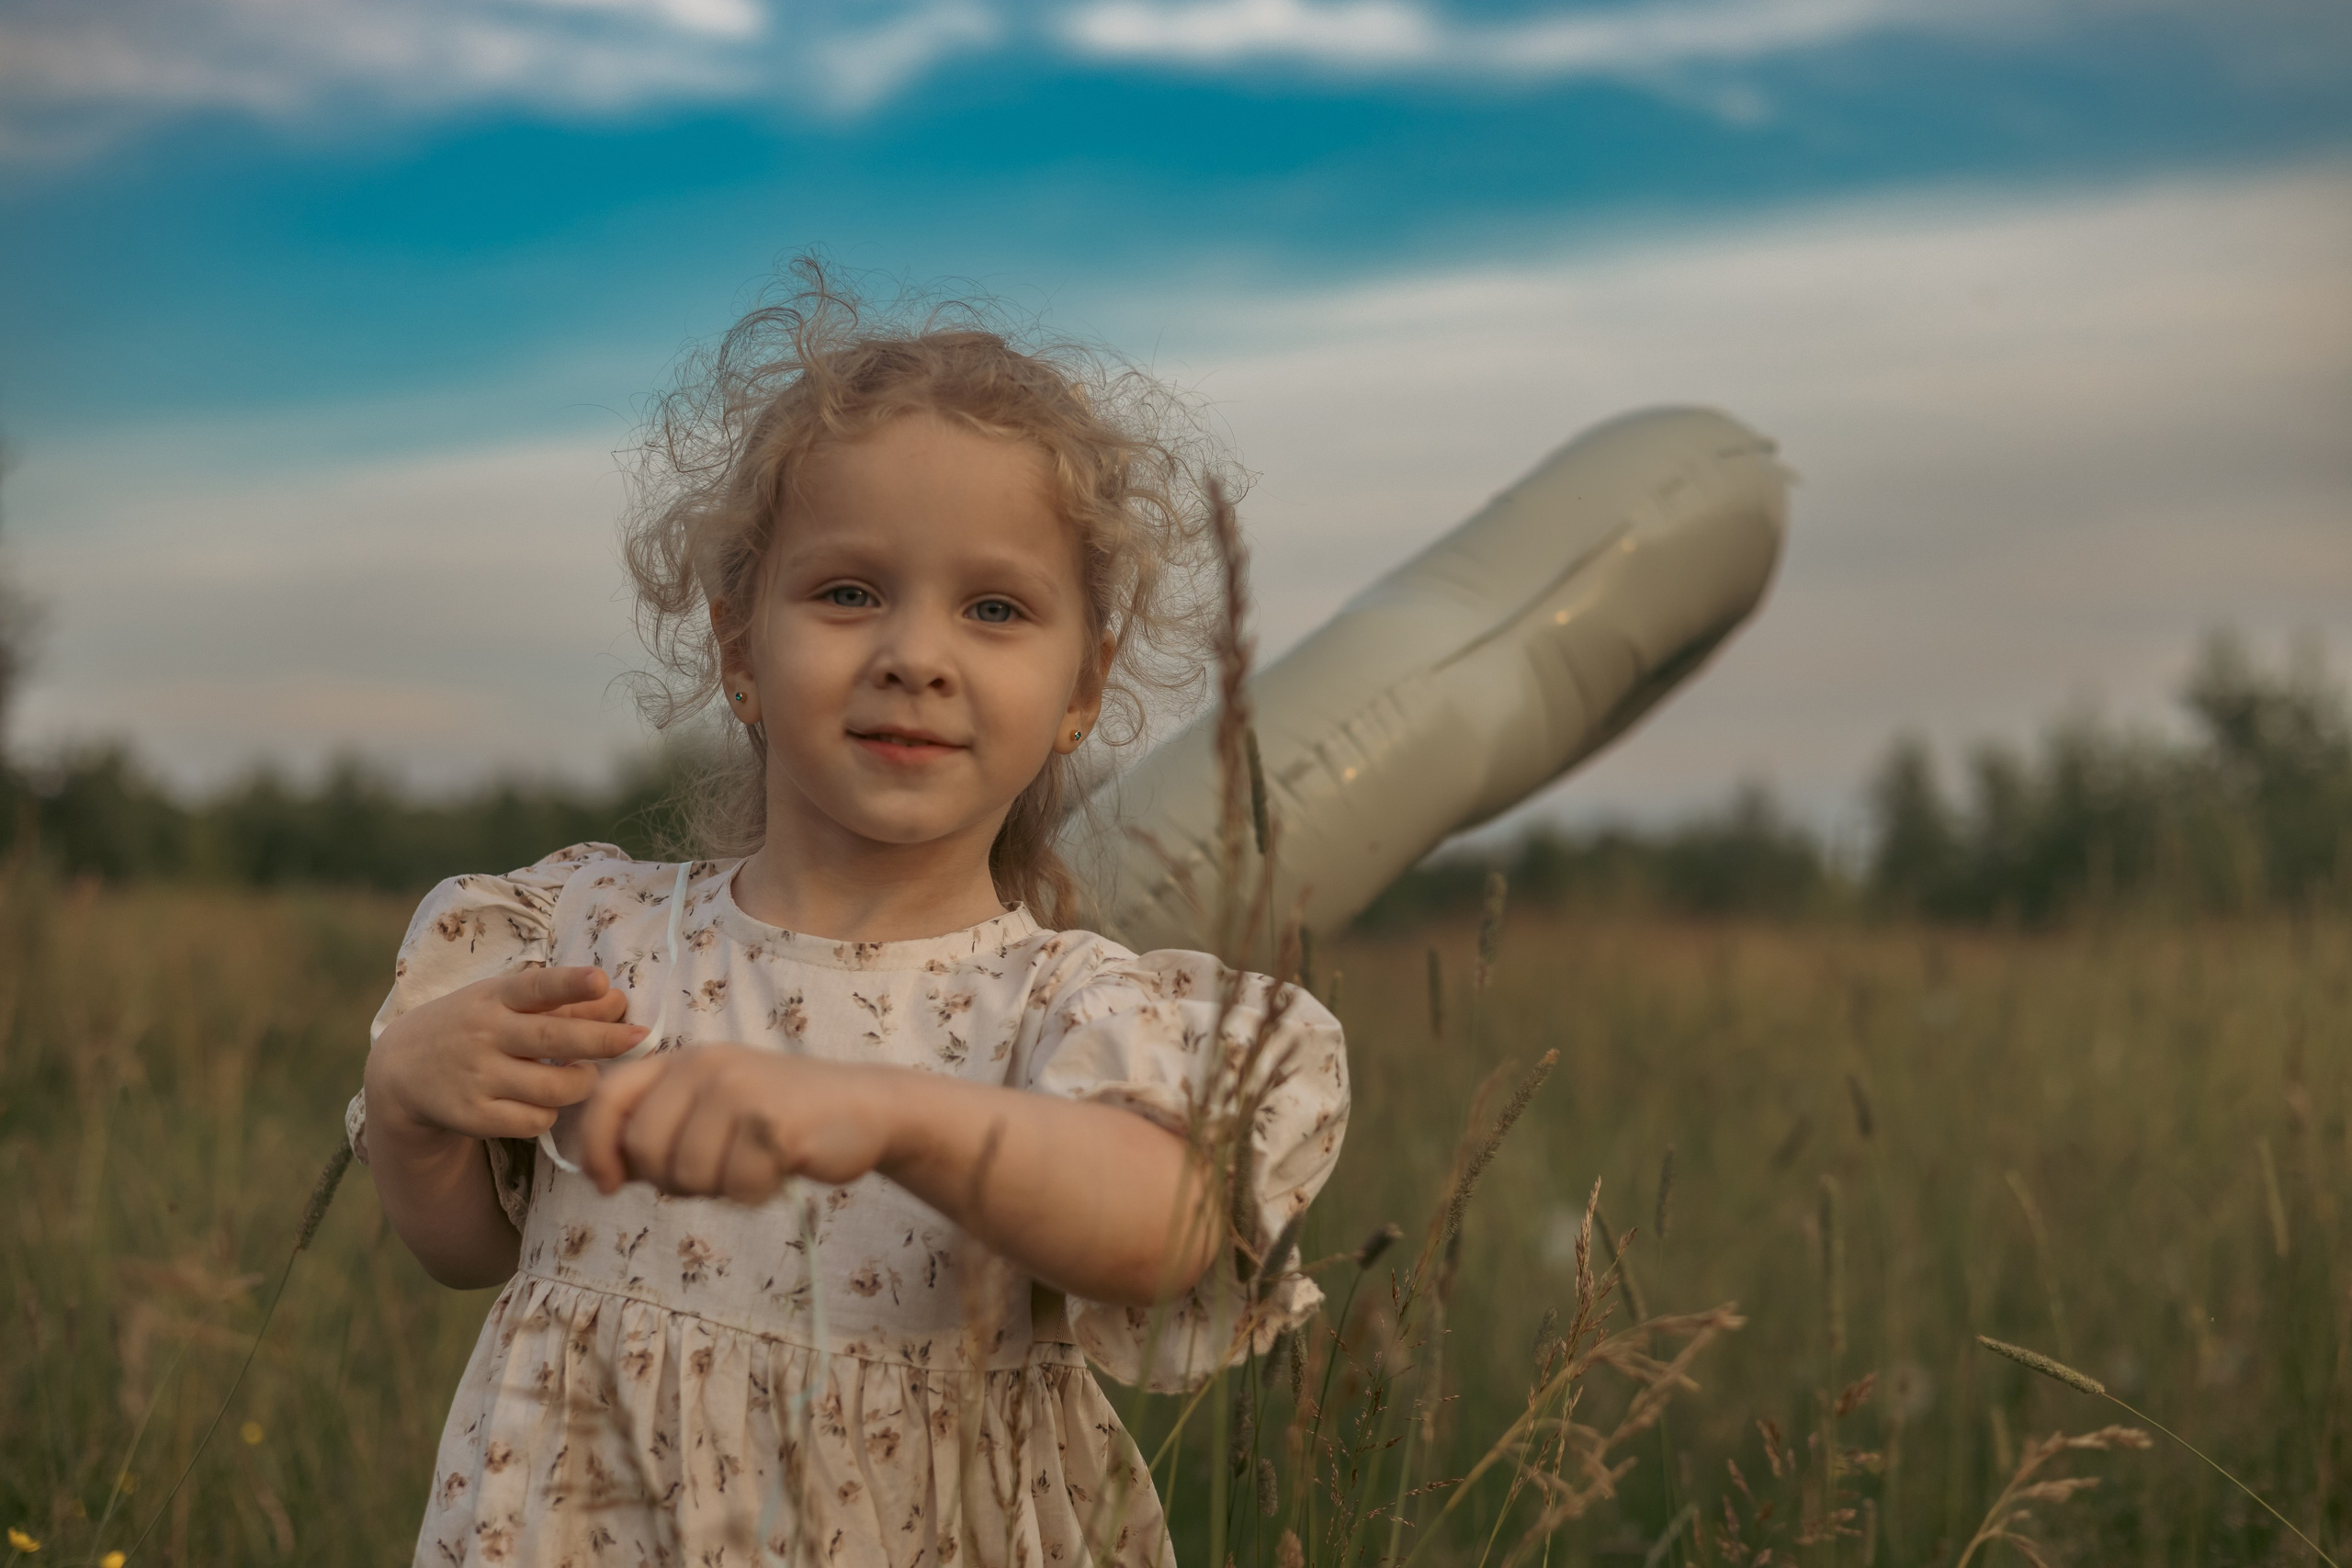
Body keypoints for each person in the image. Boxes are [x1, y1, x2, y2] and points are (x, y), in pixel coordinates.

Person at [346, 269, 1349, 1566]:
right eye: (848, 593)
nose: (916, 654)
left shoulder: (1063, 1009)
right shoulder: (589, 937)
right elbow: (472, 1252)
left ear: (1081, 686)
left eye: (994, 609)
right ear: (742, 650)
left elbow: (1161, 1227)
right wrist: (414, 1110)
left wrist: (889, 1114)